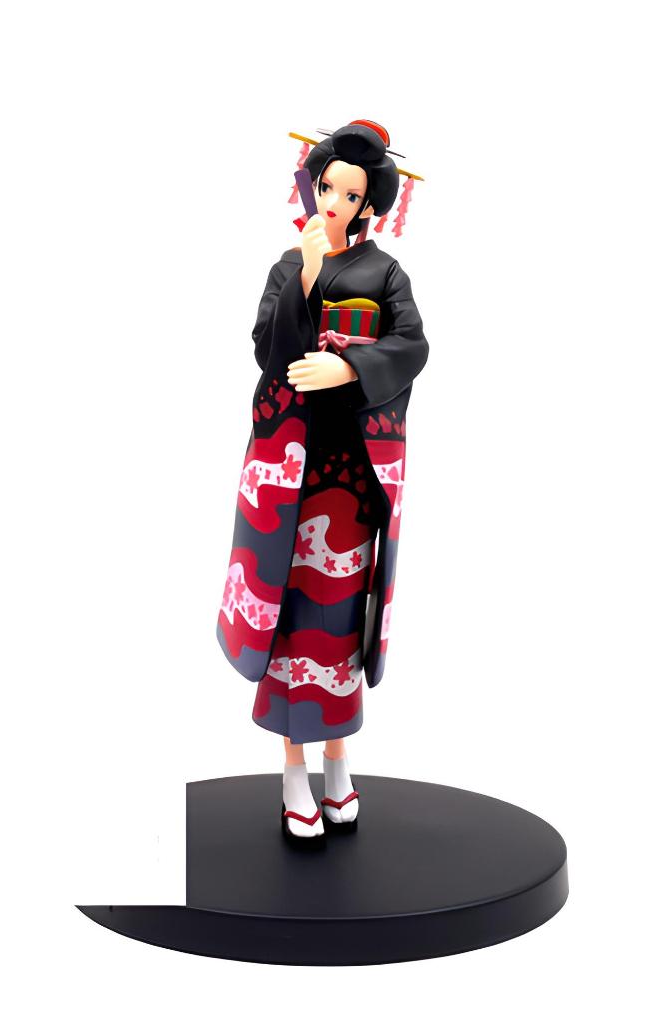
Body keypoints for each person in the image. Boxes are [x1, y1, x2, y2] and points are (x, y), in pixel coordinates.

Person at [216, 120, 429, 842]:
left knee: (339, 624)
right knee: (290, 621)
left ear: (371, 206)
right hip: (294, 477)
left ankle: (338, 762)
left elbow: (412, 345)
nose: (336, 202)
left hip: (353, 475)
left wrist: (349, 366)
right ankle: (292, 773)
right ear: (312, 186)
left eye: (351, 194)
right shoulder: (289, 264)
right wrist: (305, 277)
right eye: (328, 186)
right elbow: (268, 352)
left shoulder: (386, 274)